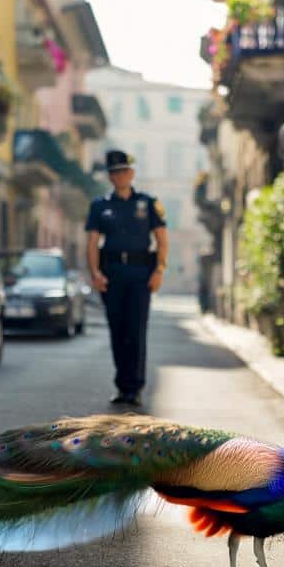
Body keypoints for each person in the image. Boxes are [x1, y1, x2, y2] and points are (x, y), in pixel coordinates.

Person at [84, 150, 168, 406]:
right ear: (110, 177)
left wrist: (159, 271)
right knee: (117, 331)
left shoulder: (148, 203)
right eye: (114, 172)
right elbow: (92, 243)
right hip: (111, 276)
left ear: (131, 173)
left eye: (123, 171)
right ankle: (122, 386)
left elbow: (162, 240)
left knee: (136, 330)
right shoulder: (100, 206)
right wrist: (95, 273)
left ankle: (135, 387)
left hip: (141, 275)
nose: (119, 176)